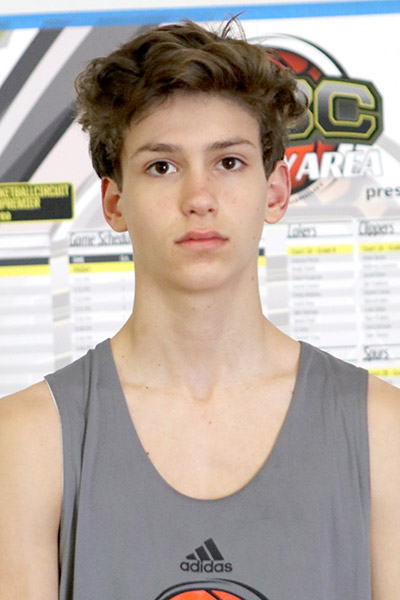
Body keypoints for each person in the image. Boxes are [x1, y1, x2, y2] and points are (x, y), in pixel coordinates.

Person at [0, 18, 399, 600]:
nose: (199, 198)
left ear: (275, 192)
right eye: (162, 166)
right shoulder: (26, 440)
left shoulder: (383, 430)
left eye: (228, 162)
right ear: (114, 203)